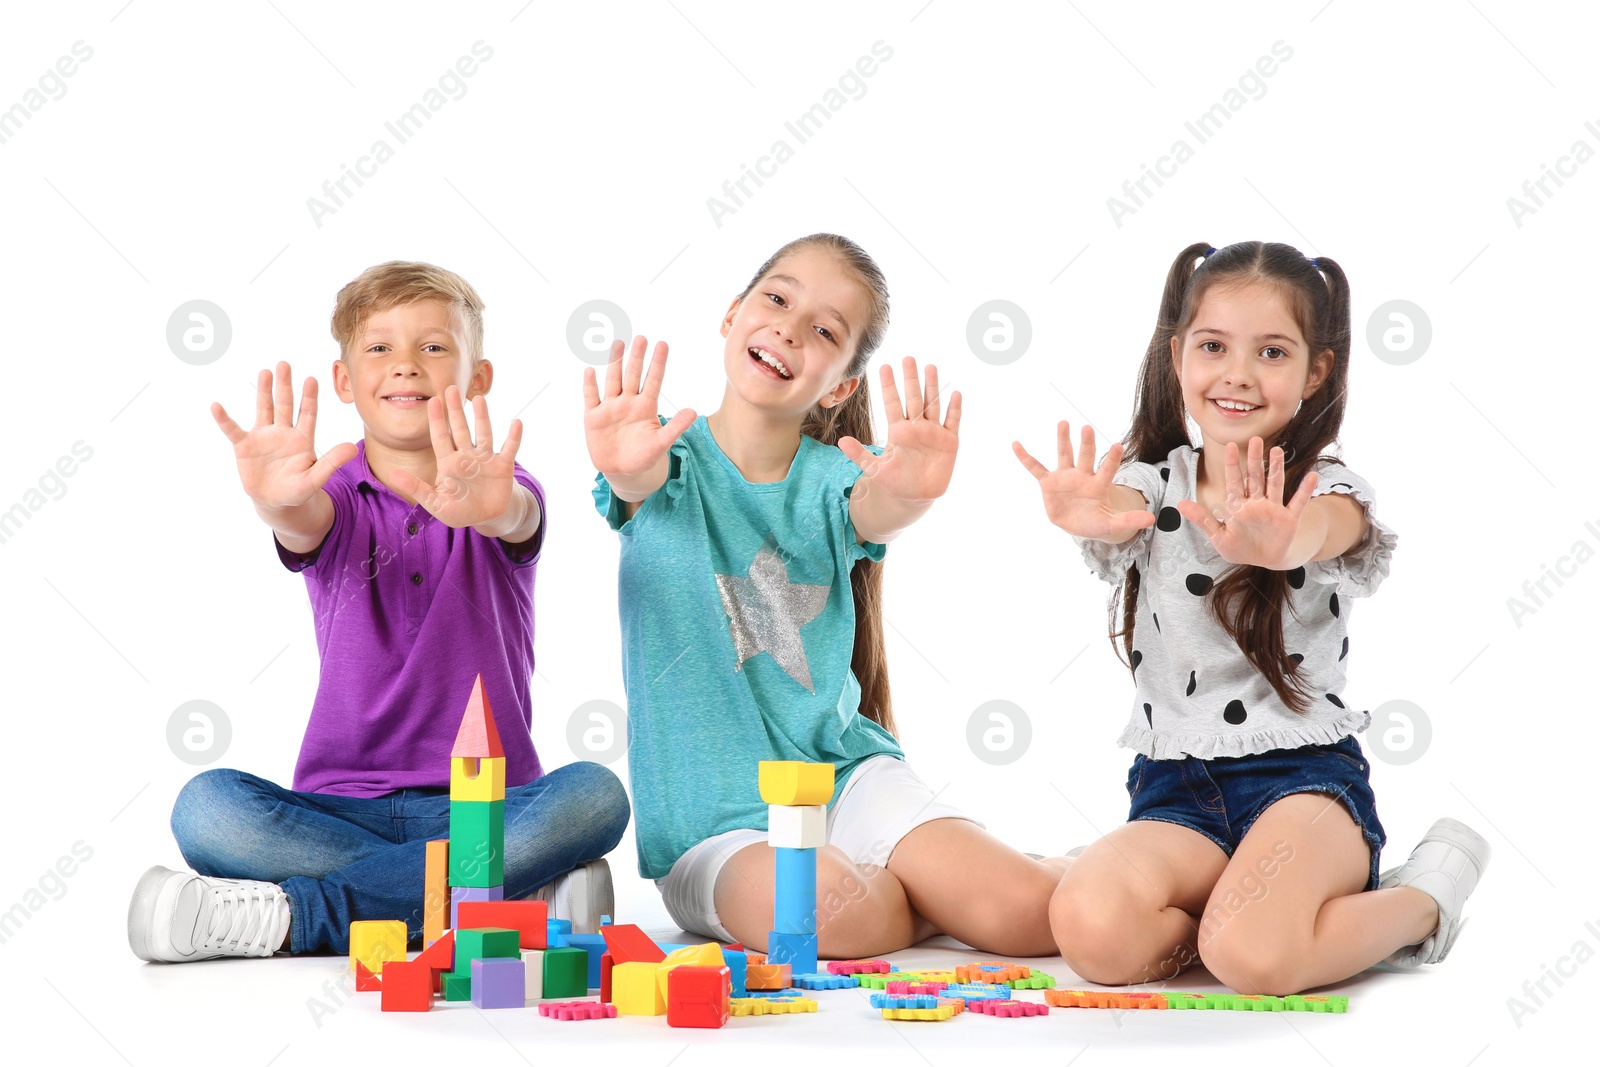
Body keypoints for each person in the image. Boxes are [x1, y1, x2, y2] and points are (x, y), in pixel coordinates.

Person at [1015, 241, 1489, 995]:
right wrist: (1092, 513)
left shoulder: (1325, 487)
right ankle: (1239, 912)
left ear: (1315, 372)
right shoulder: (1153, 481)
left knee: (1253, 960)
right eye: (1213, 346)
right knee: (1093, 934)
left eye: (1272, 351)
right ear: (1178, 359)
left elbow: (1333, 529)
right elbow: (1122, 507)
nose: (1237, 373)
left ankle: (1417, 901)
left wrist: (1282, 539)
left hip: (1303, 783)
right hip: (1175, 790)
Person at [128, 261, 628, 963]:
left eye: (433, 347)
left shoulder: (498, 488)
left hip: (487, 804)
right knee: (206, 807)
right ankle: (498, 896)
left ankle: (294, 918)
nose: (406, 366)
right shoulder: (327, 492)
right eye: (379, 348)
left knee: (595, 796)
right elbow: (304, 521)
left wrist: (495, 507)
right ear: (343, 381)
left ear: (478, 377)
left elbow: (517, 516)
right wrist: (276, 502)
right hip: (338, 805)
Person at [586, 233, 1067, 959]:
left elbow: (877, 510)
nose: (788, 327)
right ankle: (919, 893)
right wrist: (624, 470)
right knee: (822, 919)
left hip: (845, 780)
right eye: (776, 298)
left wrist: (909, 496)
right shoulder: (660, 458)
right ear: (731, 315)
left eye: (824, 330)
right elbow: (633, 485)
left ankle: (1026, 871)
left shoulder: (834, 478)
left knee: (1028, 916)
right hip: (715, 829)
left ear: (841, 385)